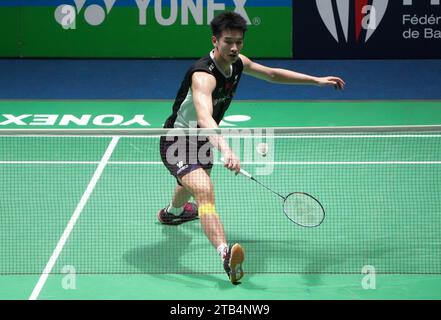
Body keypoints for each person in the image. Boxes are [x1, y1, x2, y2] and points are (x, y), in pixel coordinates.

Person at [158, 11, 345, 284]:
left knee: (191, 184)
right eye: (228, 42)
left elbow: (271, 74)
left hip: (202, 140)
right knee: (204, 191)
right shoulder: (203, 76)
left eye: (239, 42)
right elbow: (204, 118)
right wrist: (226, 149)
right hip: (179, 140)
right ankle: (225, 256)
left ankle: (171, 213)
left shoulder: (238, 63)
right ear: (215, 41)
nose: (234, 48)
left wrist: (315, 80)